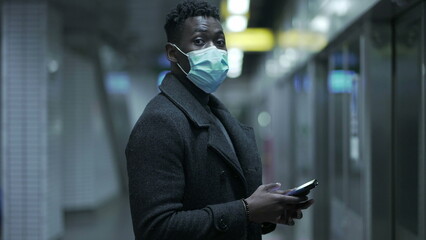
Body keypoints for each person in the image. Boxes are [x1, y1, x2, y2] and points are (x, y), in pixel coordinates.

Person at [125, 1, 314, 239]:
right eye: (200, 41)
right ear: (172, 53)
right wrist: (246, 210)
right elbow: (155, 229)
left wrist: (263, 214)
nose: (214, 50)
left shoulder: (215, 114)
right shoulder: (159, 123)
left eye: (220, 42)